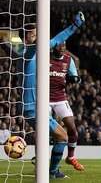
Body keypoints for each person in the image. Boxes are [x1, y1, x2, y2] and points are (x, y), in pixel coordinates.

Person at [17, 12, 85, 178]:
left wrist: (73, 27)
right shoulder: (26, 53)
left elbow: (55, 41)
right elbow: (53, 41)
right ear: (25, 39)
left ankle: (40, 168)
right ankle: (52, 172)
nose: (38, 37)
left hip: (34, 106)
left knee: (50, 136)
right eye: (33, 35)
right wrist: (74, 26)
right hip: (33, 107)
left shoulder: (34, 52)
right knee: (62, 137)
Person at [49, 42, 84, 171]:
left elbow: (76, 77)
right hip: (44, 99)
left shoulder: (69, 60)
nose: (62, 48)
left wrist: (75, 79)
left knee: (72, 128)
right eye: (59, 46)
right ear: (53, 47)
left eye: (64, 46)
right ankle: (39, 156)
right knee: (44, 129)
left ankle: (71, 157)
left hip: (60, 99)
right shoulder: (45, 58)